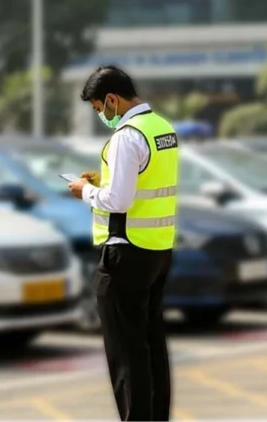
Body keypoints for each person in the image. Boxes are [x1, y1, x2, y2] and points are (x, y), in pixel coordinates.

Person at [67, 65, 178, 422]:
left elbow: (118, 201)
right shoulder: (162, 129)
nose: (101, 115)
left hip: (125, 254)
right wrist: (105, 180)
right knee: (150, 347)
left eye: (100, 108)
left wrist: (86, 191)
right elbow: (144, 182)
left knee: (126, 354)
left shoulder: (126, 136)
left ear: (112, 99)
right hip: (157, 250)